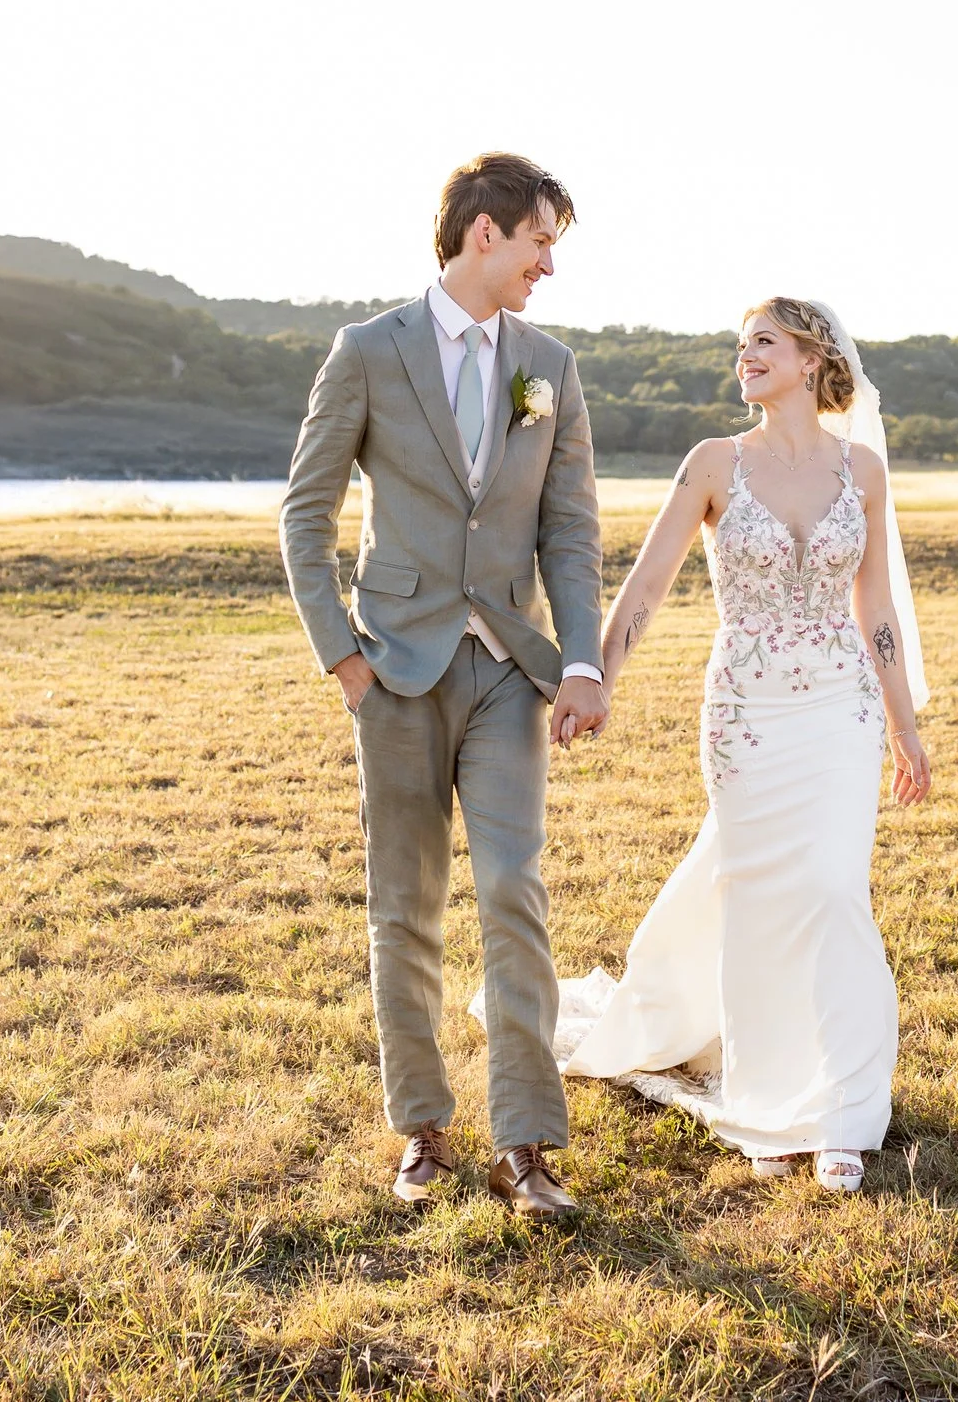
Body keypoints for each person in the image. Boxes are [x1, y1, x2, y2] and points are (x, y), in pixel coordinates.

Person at [280, 153, 607, 1221]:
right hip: (397, 669)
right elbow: (304, 511)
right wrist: (343, 657)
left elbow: (569, 529)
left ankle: (527, 1143)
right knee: (404, 904)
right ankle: (421, 1127)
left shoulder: (549, 365)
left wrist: (582, 658)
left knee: (513, 888)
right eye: (540, 241)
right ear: (485, 235)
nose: (548, 265)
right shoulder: (367, 353)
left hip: (511, 668)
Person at [546, 296, 931, 1193]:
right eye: (740, 346)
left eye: (762, 342)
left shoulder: (862, 470)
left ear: (810, 357)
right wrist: (598, 676)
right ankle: (766, 1101)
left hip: (841, 709)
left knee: (833, 889)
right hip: (747, 713)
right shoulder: (714, 463)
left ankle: (840, 1106)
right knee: (759, 901)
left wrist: (905, 724)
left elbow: (875, 606)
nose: (743, 357)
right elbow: (646, 585)